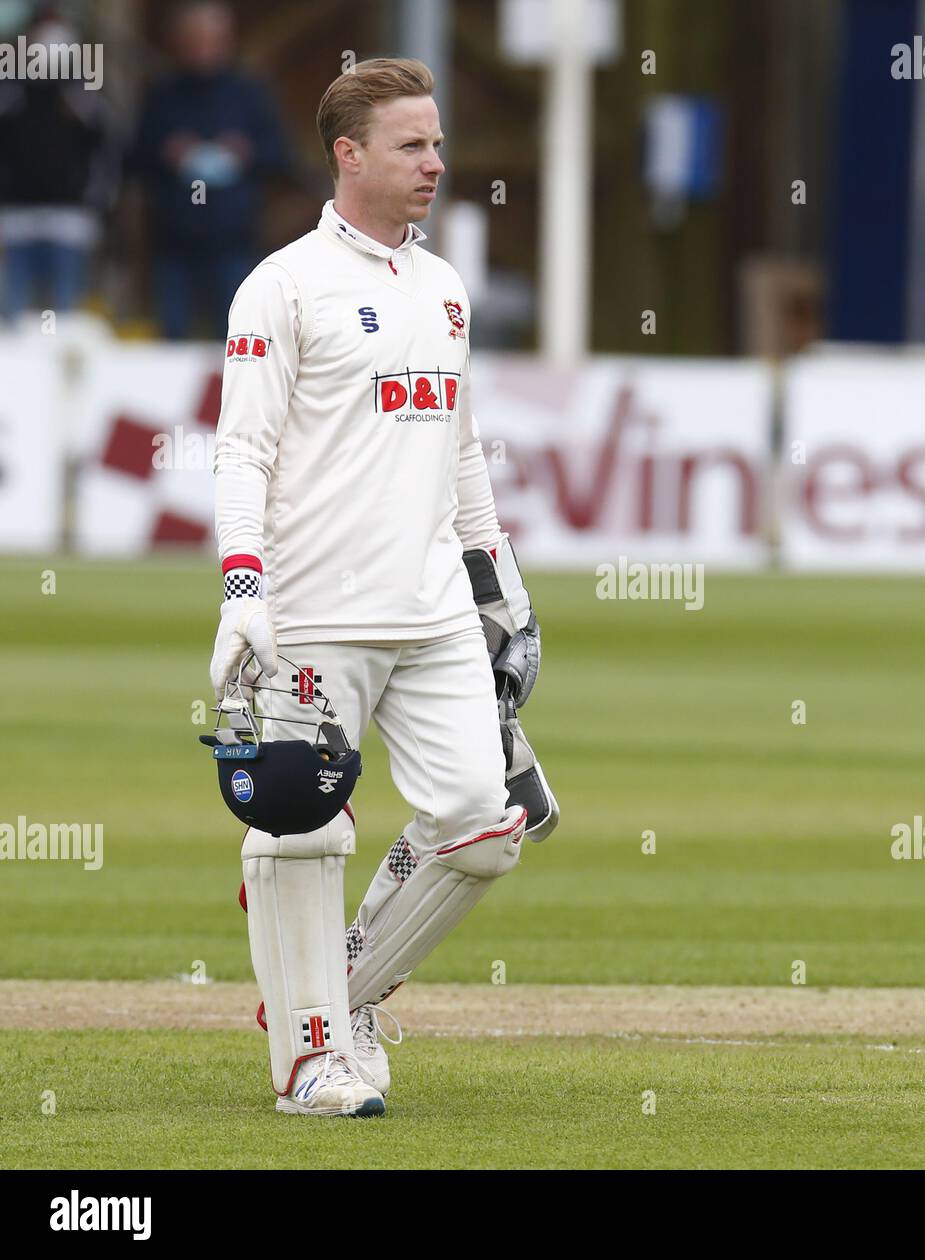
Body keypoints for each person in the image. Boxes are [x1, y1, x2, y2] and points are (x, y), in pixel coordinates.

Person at [210, 57, 549, 1117]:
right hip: (314, 609)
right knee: (303, 825)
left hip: (433, 608)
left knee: (482, 826)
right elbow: (240, 452)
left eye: (438, 143)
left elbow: (459, 453)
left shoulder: (444, 288)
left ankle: (336, 998)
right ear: (347, 154)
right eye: (411, 145)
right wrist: (242, 590)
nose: (435, 164)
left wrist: (503, 591)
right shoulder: (283, 285)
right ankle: (311, 1060)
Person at [129, 1, 288, 338]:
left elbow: (279, 156)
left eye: (211, 38)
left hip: (234, 242)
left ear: (226, 40)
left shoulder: (248, 94)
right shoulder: (162, 96)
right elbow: (131, 161)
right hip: (173, 244)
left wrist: (247, 152)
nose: (203, 46)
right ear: (179, 42)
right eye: (194, 38)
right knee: (171, 346)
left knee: (238, 343)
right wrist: (165, 153)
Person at [0, 13, 115, 320]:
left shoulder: (86, 98)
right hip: (16, 216)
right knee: (13, 310)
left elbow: (105, 151)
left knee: (65, 310)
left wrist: (98, 206)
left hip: (70, 218)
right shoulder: (10, 94)